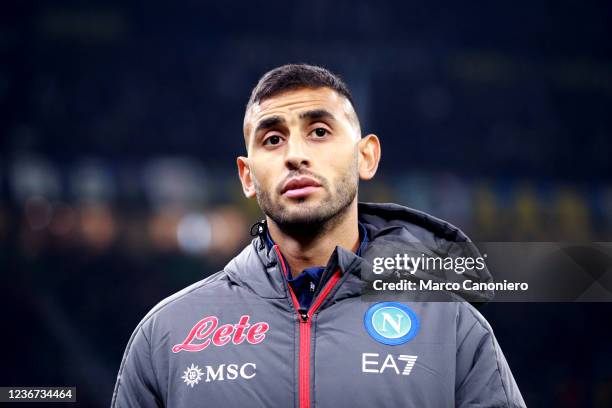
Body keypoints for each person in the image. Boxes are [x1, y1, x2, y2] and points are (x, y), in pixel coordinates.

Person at [111, 64, 526, 407]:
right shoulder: (167, 333)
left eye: (319, 132)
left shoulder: (452, 326)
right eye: (272, 139)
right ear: (247, 176)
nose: (295, 154)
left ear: (366, 156)